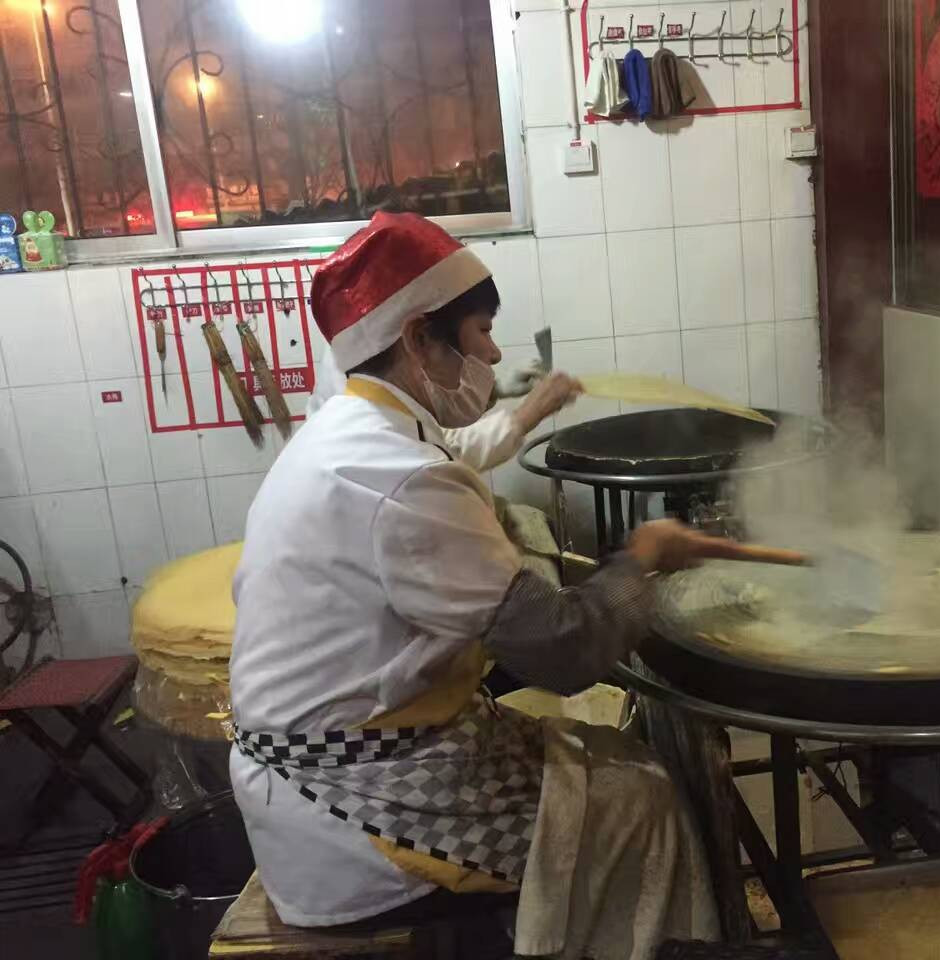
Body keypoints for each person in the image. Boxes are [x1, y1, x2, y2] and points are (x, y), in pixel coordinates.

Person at [229, 212, 752, 958]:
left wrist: (530, 410)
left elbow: (456, 451)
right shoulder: (399, 480)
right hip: (355, 804)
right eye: (479, 332)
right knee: (641, 799)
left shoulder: (345, 431)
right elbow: (566, 651)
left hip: (318, 767)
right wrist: (646, 557)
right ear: (417, 338)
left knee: (602, 759)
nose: (494, 352)